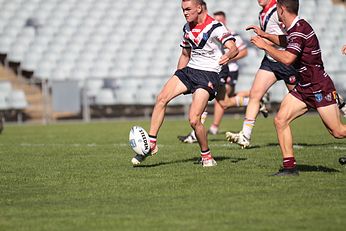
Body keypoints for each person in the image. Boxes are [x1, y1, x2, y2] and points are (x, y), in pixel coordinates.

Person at [131, 0, 239, 167]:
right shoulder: (187, 27)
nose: (185, 13)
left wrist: (229, 54)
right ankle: (151, 143)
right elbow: (185, 54)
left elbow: (233, 48)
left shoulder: (216, 27)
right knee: (161, 99)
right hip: (189, 71)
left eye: (188, 9)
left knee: (194, 120)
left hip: (208, 75)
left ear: (199, 8)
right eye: (183, 10)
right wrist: (178, 75)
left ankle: (207, 156)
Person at [250, 0, 346, 176]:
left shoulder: (300, 29)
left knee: (338, 131)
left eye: (277, 8)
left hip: (319, 87)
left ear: (281, 9)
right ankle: (289, 168)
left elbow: (287, 58)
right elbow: (285, 40)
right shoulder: (295, 28)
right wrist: (265, 35)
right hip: (304, 87)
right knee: (280, 120)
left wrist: (265, 46)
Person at [177, 10, 269, 144]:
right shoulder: (210, 31)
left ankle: (197, 132)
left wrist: (228, 58)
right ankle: (254, 102)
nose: (218, 22)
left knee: (205, 98)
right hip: (216, 70)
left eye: (220, 19)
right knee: (224, 102)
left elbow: (242, 51)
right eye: (216, 19)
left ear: (225, 21)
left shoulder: (230, 34)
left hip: (227, 71)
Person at [225, 0, 300, 149]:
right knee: (254, 95)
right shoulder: (263, 12)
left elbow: (288, 37)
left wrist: (265, 41)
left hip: (285, 60)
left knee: (304, 96)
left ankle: (335, 101)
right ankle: (245, 135)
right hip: (270, 61)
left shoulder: (278, 10)